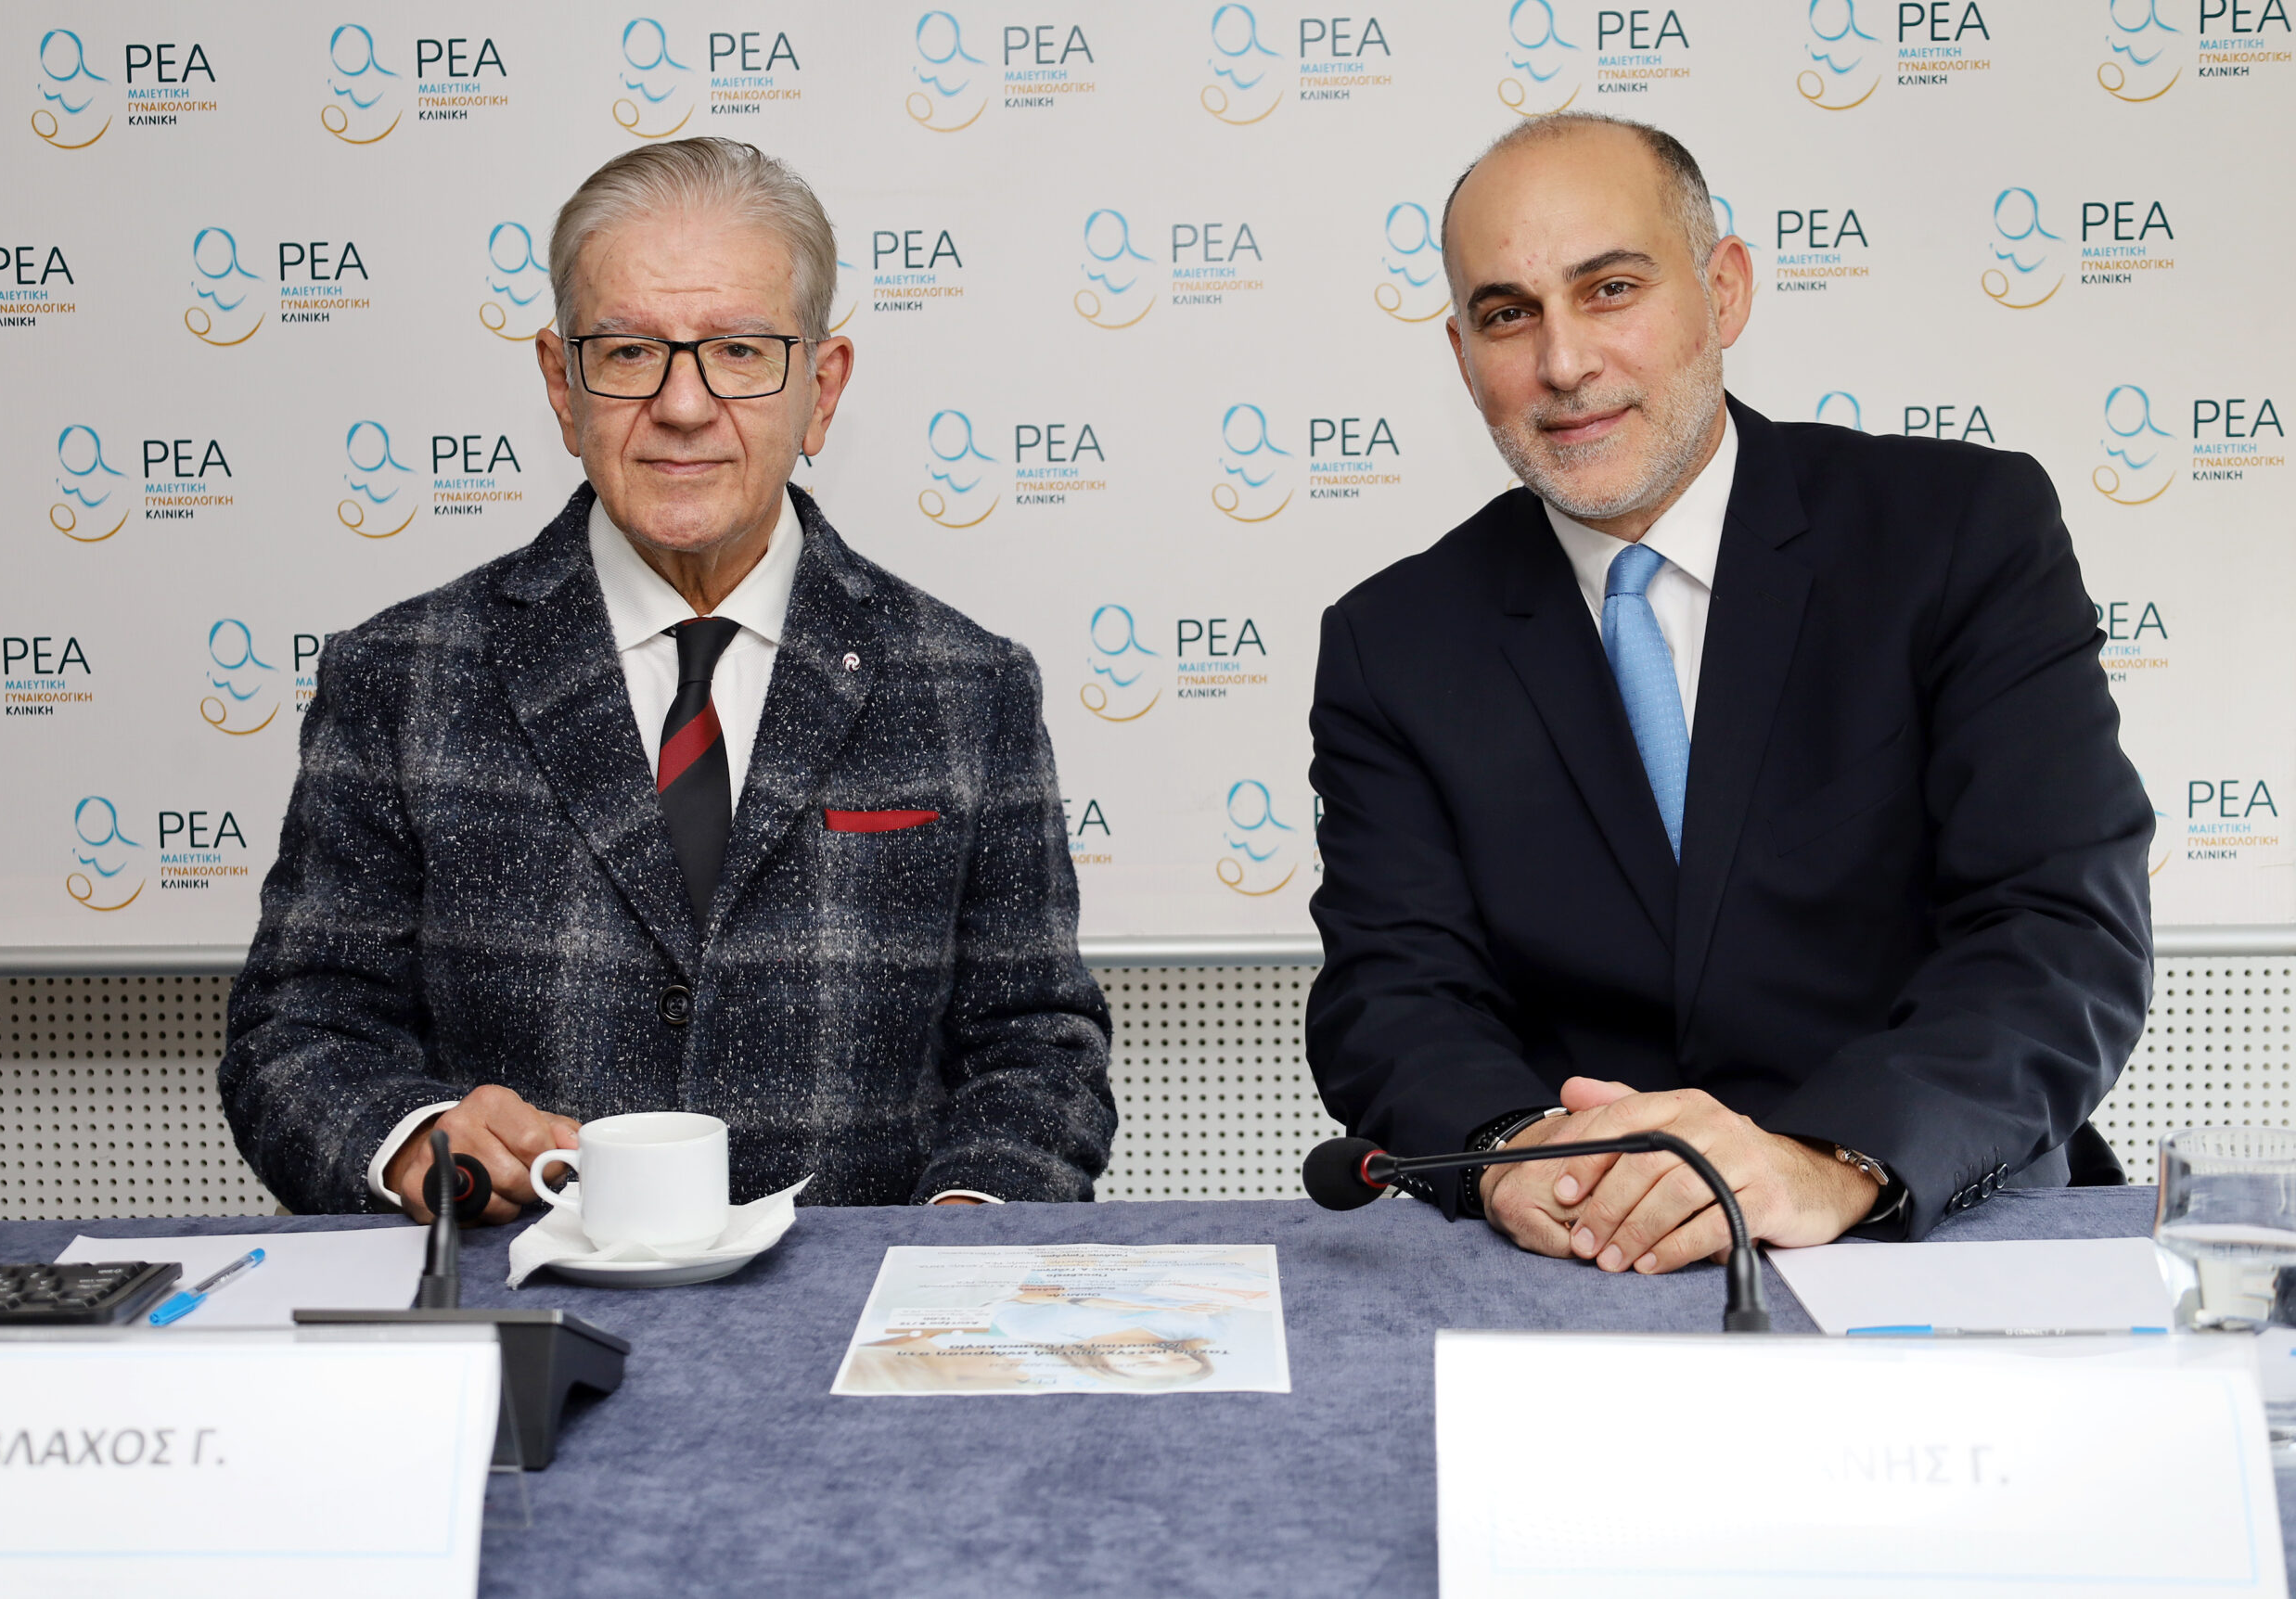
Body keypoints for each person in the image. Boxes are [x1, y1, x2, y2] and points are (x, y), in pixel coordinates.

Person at [1304, 113, 2152, 1273]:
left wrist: (1827, 1160)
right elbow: (1394, 992)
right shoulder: (1391, 639)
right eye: (1508, 315)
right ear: (1462, 353)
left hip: (1924, 1227)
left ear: (1724, 290)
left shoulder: (1960, 533)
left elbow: (2056, 932)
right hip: (1578, 1255)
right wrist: (1514, 1147)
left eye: (1609, 289)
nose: (1563, 363)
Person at [221, 138, 1115, 1220]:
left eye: (739, 350)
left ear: (821, 388)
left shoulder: (971, 688)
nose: (683, 404)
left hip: (864, 1305)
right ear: (562, 384)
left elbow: (1035, 1047)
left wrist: (962, 1241)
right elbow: (298, 1034)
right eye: (629, 351)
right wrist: (417, 1141)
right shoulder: (399, 678)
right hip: (524, 1297)